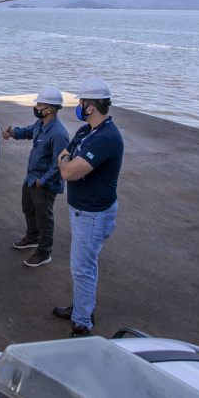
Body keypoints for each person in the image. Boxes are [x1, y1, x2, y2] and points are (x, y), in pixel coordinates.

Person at [53, 78, 124, 338]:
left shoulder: (106, 138)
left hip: (93, 216)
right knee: (85, 266)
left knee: (82, 269)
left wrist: (66, 160)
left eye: (81, 102)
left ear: (90, 107)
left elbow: (69, 171)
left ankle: (82, 324)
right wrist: (66, 158)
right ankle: (83, 307)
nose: (79, 106)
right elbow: (65, 153)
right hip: (84, 212)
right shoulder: (87, 132)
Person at [2, 87, 70, 267]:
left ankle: (44, 252)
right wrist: (12, 132)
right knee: (28, 209)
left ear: (49, 109)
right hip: (31, 178)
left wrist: (43, 181)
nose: (36, 107)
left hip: (44, 184)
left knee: (44, 217)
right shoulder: (40, 124)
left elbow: (60, 164)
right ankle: (32, 237)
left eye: (40, 104)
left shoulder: (58, 133)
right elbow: (27, 132)